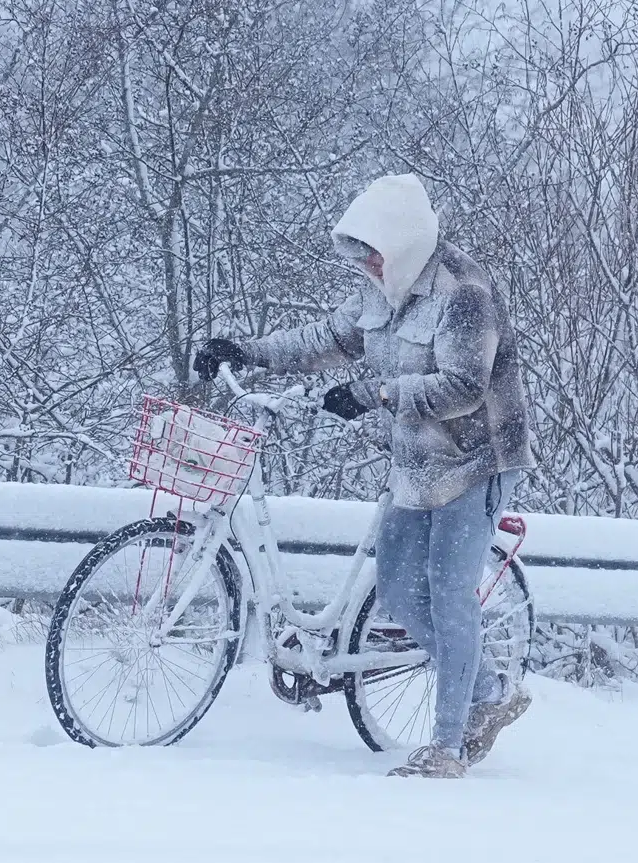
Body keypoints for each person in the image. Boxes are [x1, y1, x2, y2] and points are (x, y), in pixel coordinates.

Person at [192, 173, 535, 778]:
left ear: (403, 243)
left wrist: (376, 393)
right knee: (401, 587)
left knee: (450, 590)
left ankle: (449, 747)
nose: (366, 263)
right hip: (417, 459)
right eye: (359, 250)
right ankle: (488, 693)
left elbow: (464, 388)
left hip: (478, 459)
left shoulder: (464, 292)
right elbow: (325, 339)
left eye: (374, 250)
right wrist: (245, 351)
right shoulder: (383, 289)